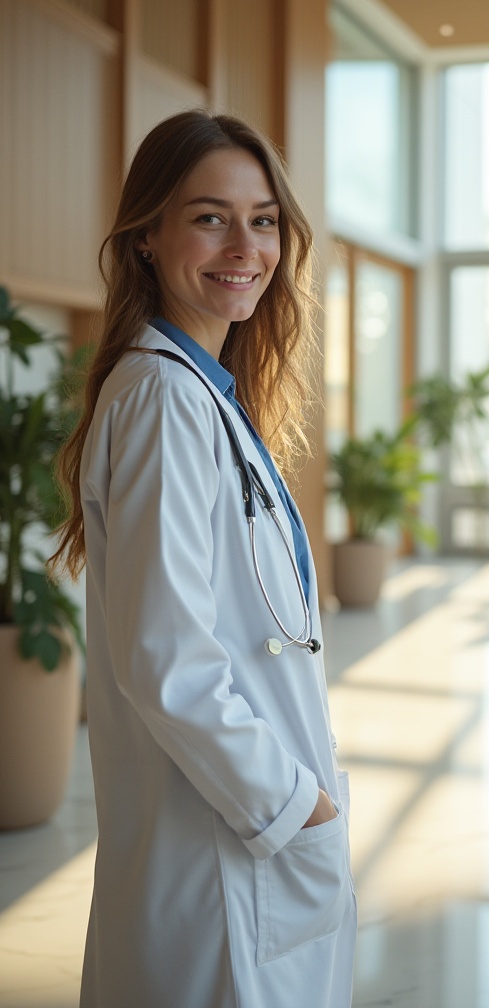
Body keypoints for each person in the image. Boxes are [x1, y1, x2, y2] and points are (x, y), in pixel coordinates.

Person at [51, 110, 356, 1007]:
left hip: (236, 834)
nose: (245, 245)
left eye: (263, 220)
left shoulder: (200, 392)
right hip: (222, 840)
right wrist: (295, 805)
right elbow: (166, 658)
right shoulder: (161, 399)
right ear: (147, 236)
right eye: (209, 216)